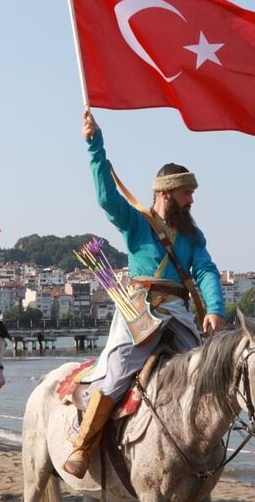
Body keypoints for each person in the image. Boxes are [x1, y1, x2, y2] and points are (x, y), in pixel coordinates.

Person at [63, 111, 226, 478]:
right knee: (118, 371)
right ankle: (84, 446)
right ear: (166, 193)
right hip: (140, 313)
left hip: (180, 315)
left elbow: (205, 270)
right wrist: (94, 144)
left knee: (206, 373)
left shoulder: (192, 237)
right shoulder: (136, 223)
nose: (192, 202)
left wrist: (214, 308)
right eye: (187, 194)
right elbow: (107, 198)